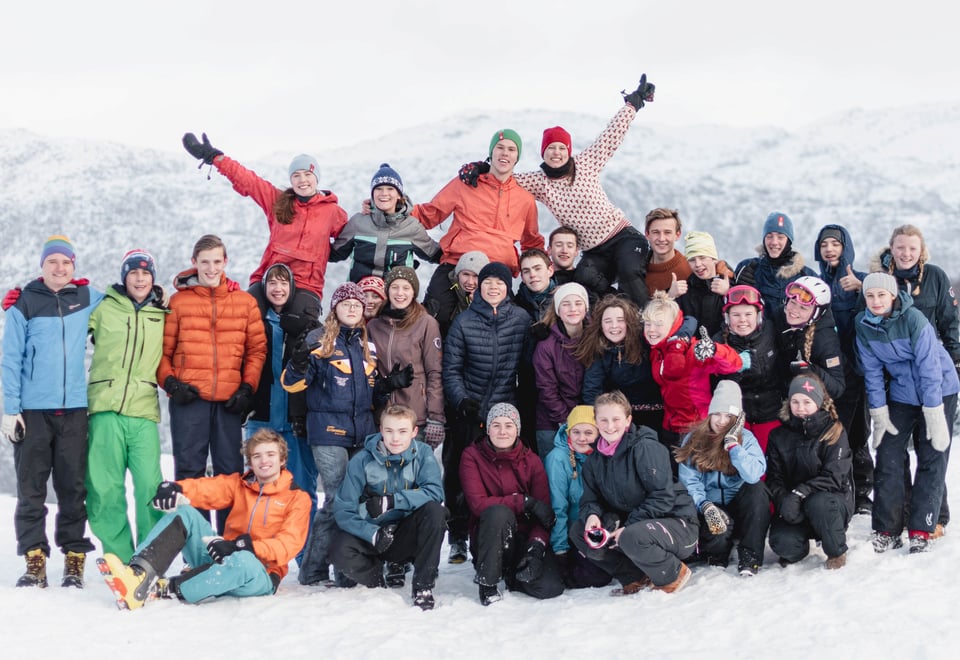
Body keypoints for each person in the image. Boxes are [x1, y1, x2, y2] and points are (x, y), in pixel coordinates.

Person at [460, 76, 656, 307]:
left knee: (628, 271)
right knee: (583, 279)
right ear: (543, 153)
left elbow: (612, 136)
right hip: (594, 251)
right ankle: (617, 313)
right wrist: (482, 168)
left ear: (568, 151)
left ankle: (650, 317)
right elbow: (505, 179)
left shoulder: (585, 164)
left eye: (561, 148)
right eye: (551, 148)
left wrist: (633, 103)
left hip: (622, 235)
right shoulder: (539, 182)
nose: (556, 152)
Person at [98, 428, 310, 609]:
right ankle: (139, 576)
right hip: (223, 556)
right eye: (257, 456)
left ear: (282, 459)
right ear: (250, 462)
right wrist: (176, 488)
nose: (264, 461)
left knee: (243, 561)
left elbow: (288, 544)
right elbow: (208, 489)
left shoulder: (297, 498)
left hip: (259, 573)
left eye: (270, 454)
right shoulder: (240, 485)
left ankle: (167, 588)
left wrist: (245, 547)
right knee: (184, 512)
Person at [2, 236, 103, 588]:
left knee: (73, 488)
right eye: (52, 262)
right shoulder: (24, 302)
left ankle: (74, 558)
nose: (59, 268)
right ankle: (34, 560)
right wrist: (10, 408)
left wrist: (161, 294)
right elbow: (10, 358)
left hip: (74, 409)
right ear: (42, 265)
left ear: (74, 266)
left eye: (66, 262)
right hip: (32, 412)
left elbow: (125, 300)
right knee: (31, 489)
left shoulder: (86, 297)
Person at [157, 234, 267, 533]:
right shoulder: (179, 303)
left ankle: (228, 544)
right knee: (189, 473)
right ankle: (196, 544)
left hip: (229, 402)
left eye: (217, 261)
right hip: (189, 400)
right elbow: (162, 352)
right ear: (194, 262)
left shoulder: (244, 303)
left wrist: (248, 388)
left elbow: (257, 350)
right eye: (205, 262)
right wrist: (172, 384)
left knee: (230, 474)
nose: (211, 268)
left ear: (225, 262)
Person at [281, 282, 378, 586]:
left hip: (361, 433)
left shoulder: (366, 344)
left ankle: (346, 572)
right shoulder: (319, 339)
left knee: (356, 498)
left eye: (357, 305)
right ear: (335, 308)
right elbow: (292, 384)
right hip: (327, 431)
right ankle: (313, 569)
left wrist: (388, 385)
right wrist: (298, 364)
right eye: (346, 303)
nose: (352, 308)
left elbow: (369, 390)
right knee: (337, 498)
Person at [855, 272, 959, 553]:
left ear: (892, 295)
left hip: (939, 390)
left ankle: (921, 529)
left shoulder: (914, 319)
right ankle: (887, 529)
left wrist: (934, 413)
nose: (876, 301)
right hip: (902, 394)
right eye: (870, 295)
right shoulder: (863, 324)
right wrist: (879, 413)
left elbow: (929, 368)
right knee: (888, 454)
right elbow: (873, 373)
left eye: (881, 295)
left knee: (931, 456)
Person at [181, 134, 347, 301]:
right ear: (291, 180)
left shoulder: (332, 212)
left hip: (307, 285)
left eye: (307, 174)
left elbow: (348, 239)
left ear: (316, 177)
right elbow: (249, 181)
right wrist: (215, 157)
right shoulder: (278, 201)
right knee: (245, 308)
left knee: (299, 315)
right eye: (296, 175)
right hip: (269, 278)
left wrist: (330, 251)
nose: (302, 180)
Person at [872, 224, 959, 535]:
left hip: (934, 373)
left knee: (932, 449)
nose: (906, 253)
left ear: (921, 251)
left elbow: (950, 323)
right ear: (891, 249)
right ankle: (903, 515)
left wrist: (955, 362)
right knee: (893, 452)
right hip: (897, 380)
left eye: (912, 248)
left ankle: (935, 518)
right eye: (900, 247)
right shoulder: (881, 280)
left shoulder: (935, 277)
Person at [442, 262, 531, 563]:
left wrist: (519, 403)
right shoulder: (464, 321)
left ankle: (496, 534)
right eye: (488, 282)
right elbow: (451, 369)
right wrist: (461, 400)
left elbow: (526, 365)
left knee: (500, 475)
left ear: (508, 287)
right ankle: (457, 535)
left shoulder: (520, 319)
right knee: (459, 472)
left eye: (499, 283)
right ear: (479, 288)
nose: (493, 287)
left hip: (504, 409)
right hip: (469, 408)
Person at [569, 391, 699, 595]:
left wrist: (629, 526)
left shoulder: (645, 448)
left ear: (628, 420)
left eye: (616, 419)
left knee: (631, 536)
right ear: (596, 421)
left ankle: (671, 573)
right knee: (579, 532)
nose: (610, 426)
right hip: (637, 525)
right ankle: (634, 576)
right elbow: (590, 499)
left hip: (676, 524)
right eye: (603, 420)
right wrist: (592, 515)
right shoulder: (595, 460)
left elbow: (662, 497)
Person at [85, 250, 167, 564]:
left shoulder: (163, 312)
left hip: (143, 410)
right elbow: (63, 316)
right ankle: (119, 558)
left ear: (153, 278)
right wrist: (27, 304)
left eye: (146, 273)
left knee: (150, 487)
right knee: (105, 488)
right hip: (104, 408)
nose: (140, 278)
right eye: (133, 272)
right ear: (124, 276)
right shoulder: (102, 307)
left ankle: (148, 559)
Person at [417, 129, 542, 324]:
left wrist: (544, 270)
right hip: (456, 265)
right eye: (500, 147)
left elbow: (532, 242)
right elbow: (429, 213)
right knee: (434, 318)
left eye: (511, 149)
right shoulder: (466, 184)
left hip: (497, 271)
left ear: (517, 157)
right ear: (491, 152)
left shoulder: (524, 199)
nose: (505, 153)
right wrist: (391, 209)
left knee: (504, 326)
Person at [329, 404, 446, 610]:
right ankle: (376, 579)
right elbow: (343, 508)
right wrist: (372, 533)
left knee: (435, 512)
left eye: (402, 431)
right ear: (381, 430)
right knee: (338, 547)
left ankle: (423, 587)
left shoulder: (423, 454)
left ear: (414, 432)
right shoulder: (362, 460)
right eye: (389, 431)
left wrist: (392, 501)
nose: (395, 438)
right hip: (374, 533)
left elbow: (435, 492)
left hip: (406, 534)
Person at [459, 403, 564, 605]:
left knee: (550, 587)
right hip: (489, 536)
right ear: (487, 429)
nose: (502, 431)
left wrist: (536, 546)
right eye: (496, 425)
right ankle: (488, 582)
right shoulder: (472, 456)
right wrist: (523, 502)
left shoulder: (531, 461)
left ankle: (512, 574)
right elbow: (478, 504)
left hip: (522, 537)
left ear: (518, 429)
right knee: (498, 512)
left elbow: (543, 512)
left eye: (509, 425)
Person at [246, 264, 320, 525]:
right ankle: (261, 546)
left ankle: (305, 549)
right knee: (257, 489)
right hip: (260, 418)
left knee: (302, 489)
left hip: (295, 422)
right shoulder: (253, 322)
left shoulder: (308, 326)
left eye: (283, 283)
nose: (278, 289)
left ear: (292, 288)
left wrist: (307, 330)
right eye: (272, 283)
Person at [676, 381, 770, 575]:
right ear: (710, 414)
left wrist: (734, 447)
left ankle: (750, 555)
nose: (721, 421)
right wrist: (704, 505)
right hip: (709, 506)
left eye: (728, 416)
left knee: (757, 490)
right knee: (717, 525)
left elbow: (754, 474)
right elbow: (689, 481)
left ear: (737, 419)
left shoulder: (746, 439)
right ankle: (717, 553)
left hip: (740, 507)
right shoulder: (694, 439)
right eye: (717, 414)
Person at [642, 291, 742, 468]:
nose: (651, 330)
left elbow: (735, 363)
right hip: (670, 426)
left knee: (694, 477)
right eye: (648, 324)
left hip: (696, 428)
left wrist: (714, 349)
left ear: (673, 325)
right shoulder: (657, 351)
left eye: (658, 324)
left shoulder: (692, 350)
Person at [766, 375, 853, 569]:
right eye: (795, 402)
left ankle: (836, 552)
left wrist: (801, 492)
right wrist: (784, 500)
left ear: (819, 403)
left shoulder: (834, 432)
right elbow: (774, 477)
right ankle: (797, 548)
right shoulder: (778, 435)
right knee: (783, 542)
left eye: (807, 402)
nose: (801, 408)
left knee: (820, 503)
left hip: (829, 501)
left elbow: (834, 477)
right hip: (793, 501)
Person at [814, 224, 873, 513]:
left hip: (857, 370)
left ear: (845, 247)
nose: (829, 249)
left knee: (858, 433)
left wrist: (862, 290)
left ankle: (862, 492)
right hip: (827, 371)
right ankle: (838, 487)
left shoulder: (862, 280)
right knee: (832, 433)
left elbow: (883, 308)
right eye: (824, 244)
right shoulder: (814, 282)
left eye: (835, 244)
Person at [366, 267, 445, 449]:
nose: (400, 293)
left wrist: (436, 417)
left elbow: (435, 372)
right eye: (394, 287)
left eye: (406, 288)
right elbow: (368, 372)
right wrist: (384, 385)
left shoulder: (426, 324)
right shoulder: (374, 326)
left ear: (414, 292)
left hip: (415, 417)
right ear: (387, 291)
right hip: (384, 418)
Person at [330, 163, 441, 282]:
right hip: (361, 290)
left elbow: (436, 254)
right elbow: (334, 253)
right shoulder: (358, 222)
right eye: (378, 189)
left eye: (390, 189)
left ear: (399, 195)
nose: (384, 193)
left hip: (396, 292)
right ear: (372, 194)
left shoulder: (412, 227)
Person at [542, 405, 611, 589]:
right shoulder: (558, 459)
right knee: (595, 577)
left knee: (606, 571)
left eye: (588, 432)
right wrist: (560, 549)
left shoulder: (603, 455)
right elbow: (557, 508)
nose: (582, 438)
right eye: (576, 432)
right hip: (569, 534)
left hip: (597, 528)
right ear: (568, 432)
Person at [578, 295, 663, 432]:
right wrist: (600, 420)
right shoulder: (599, 350)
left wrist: (683, 336)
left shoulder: (645, 339)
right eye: (608, 321)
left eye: (620, 320)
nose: (614, 326)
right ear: (600, 325)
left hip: (656, 412)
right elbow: (592, 390)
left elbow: (685, 321)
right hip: (620, 417)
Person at [714, 285, 782, 452]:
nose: (742, 320)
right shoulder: (719, 343)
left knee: (769, 458)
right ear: (727, 318)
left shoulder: (771, 331)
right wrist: (735, 369)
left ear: (758, 316)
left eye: (748, 314)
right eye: (736, 315)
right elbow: (716, 385)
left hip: (770, 412)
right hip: (737, 417)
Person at [533, 282, 590, 457]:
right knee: (556, 467)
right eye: (566, 304)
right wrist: (567, 421)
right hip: (553, 422)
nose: (573, 309)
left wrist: (586, 418)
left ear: (586, 307)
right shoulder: (546, 346)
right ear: (558, 310)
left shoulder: (596, 338)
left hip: (589, 419)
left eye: (578, 303)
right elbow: (546, 389)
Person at [773, 276, 846, 402]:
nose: (794, 310)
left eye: (803, 308)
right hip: (790, 392)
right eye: (792, 302)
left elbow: (838, 388)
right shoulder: (780, 315)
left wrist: (811, 371)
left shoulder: (825, 340)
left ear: (816, 313)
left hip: (833, 400)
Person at [734, 211, 816, 319]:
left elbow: (821, 314)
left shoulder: (806, 276)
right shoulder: (747, 268)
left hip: (792, 330)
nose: (774, 242)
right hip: (757, 329)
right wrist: (728, 289)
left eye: (780, 237)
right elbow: (730, 306)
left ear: (789, 241)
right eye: (769, 236)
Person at [675, 231, 734, 337]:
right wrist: (670, 297)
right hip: (692, 346)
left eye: (702, 258)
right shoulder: (684, 290)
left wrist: (728, 293)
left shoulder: (733, 284)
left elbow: (745, 319)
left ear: (714, 258)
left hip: (724, 346)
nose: (697, 264)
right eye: (692, 260)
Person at [426, 250, 489, 337]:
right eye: (466, 274)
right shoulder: (442, 289)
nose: (470, 282)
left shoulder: (494, 297)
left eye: (476, 276)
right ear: (458, 274)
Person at [644, 208, 692, 295]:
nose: (661, 238)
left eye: (667, 232)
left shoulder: (689, 269)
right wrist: (669, 296)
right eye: (656, 232)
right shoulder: (636, 268)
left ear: (677, 235)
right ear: (647, 234)